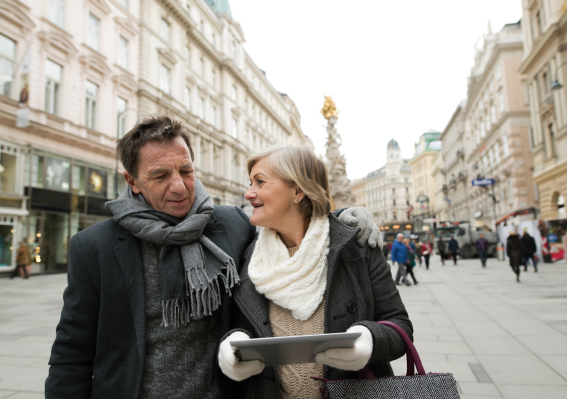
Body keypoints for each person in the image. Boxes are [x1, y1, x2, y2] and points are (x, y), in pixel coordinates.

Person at [45, 116, 381, 399]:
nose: (179, 186)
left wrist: (344, 218)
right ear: (132, 181)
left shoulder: (232, 224)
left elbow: (293, 228)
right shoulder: (95, 247)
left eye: (186, 171)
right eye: (160, 176)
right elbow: (71, 354)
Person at [217, 144, 413, 398]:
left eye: (260, 182)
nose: (248, 193)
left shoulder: (356, 247)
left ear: (297, 190)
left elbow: (400, 325)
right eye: (250, 183)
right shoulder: (249, 257)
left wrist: (367, 340)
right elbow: (239, 326)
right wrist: (233, 349)